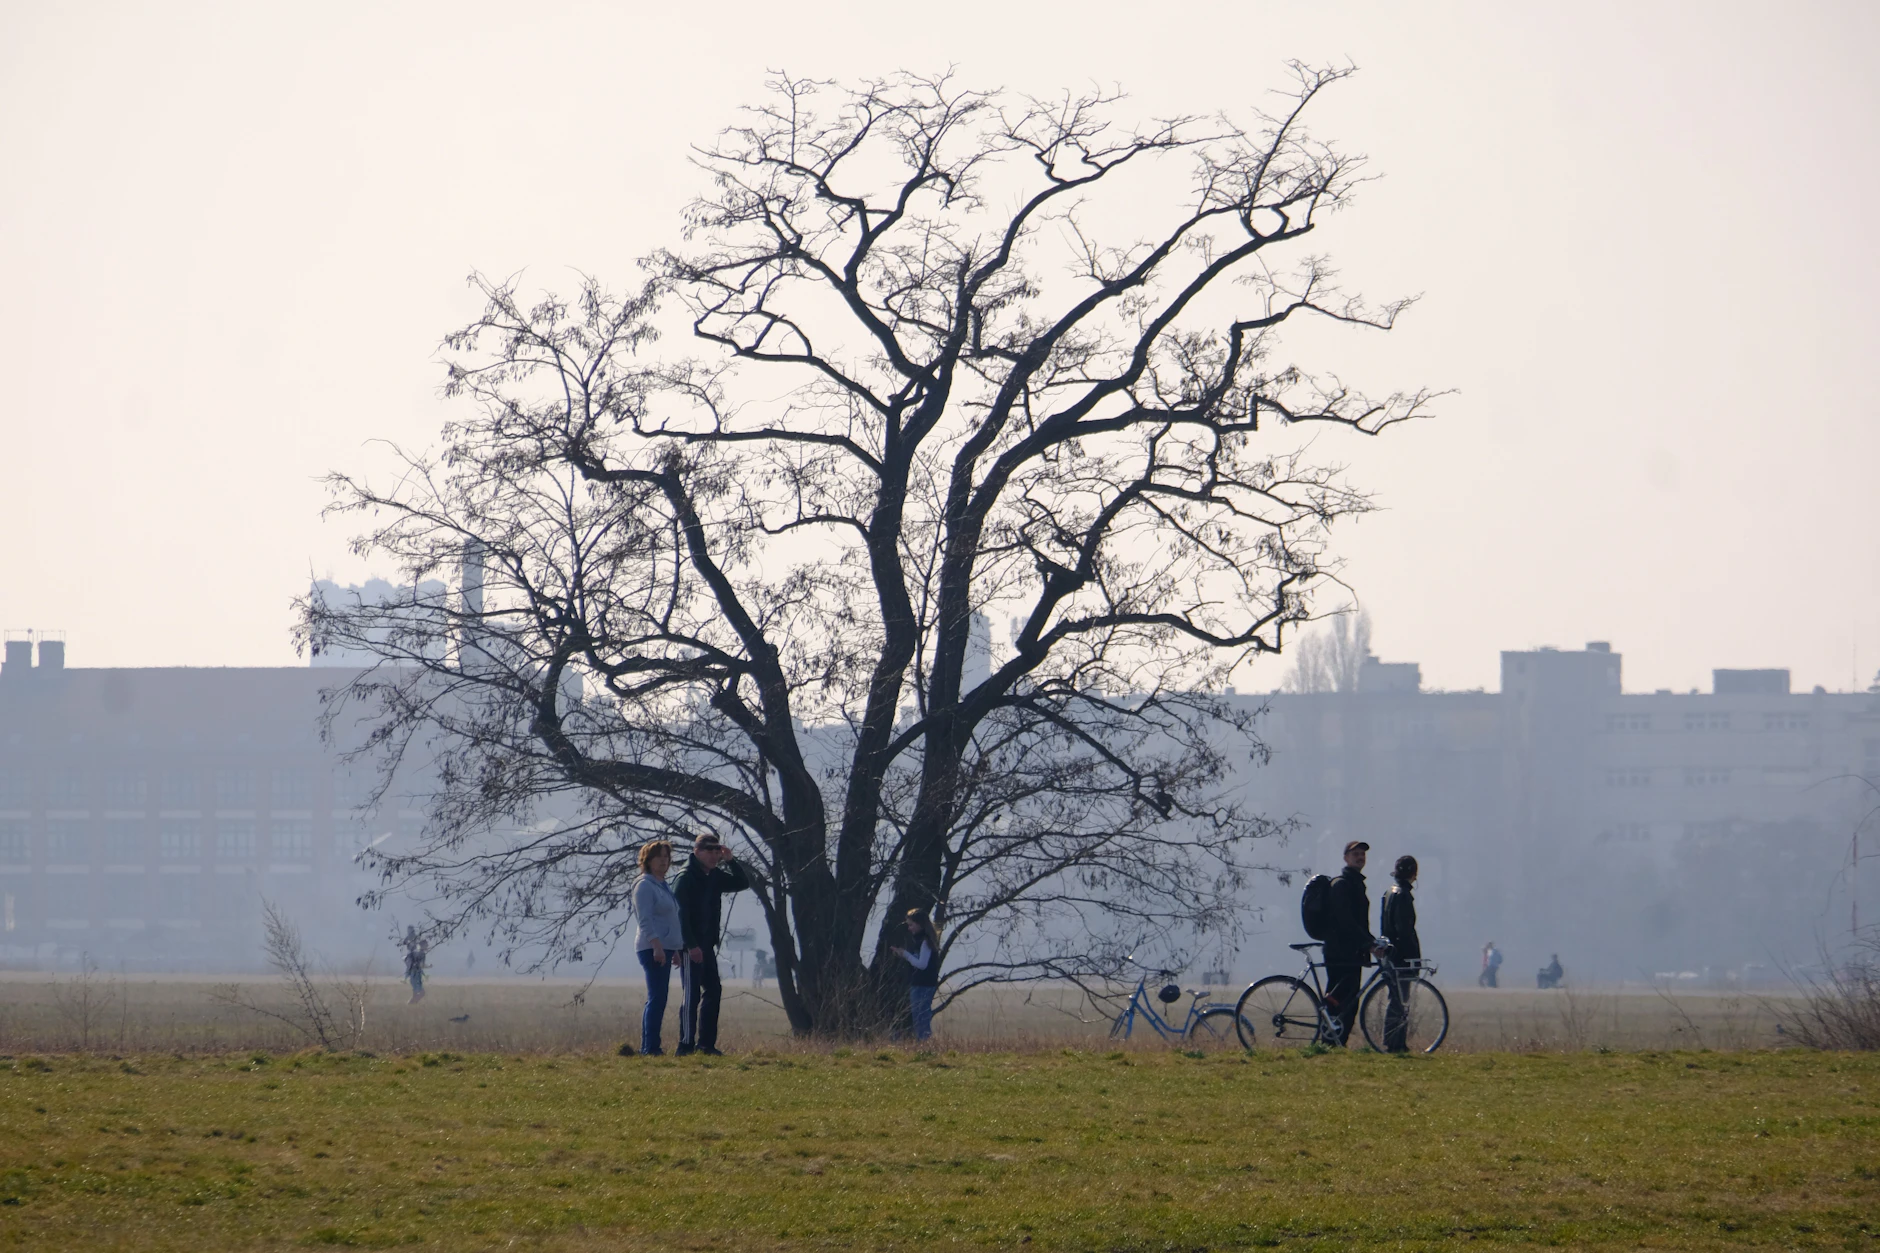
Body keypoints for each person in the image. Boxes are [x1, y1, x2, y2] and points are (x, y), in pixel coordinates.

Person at [674, 833, 750, 1057]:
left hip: (707, 946)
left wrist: (731, 861)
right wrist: (690, 944)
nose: (714, 854)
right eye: (709, 850)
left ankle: (706, 1044)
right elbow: (680, 914)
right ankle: (685, 1045)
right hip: (691, 946)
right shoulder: (686, 877)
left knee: (713, 990)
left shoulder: (714, 876)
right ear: (697, 851)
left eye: (717, 850)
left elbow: (742, 883)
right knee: (691, 996)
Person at [1323, 840, 1385, 1046]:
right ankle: (1330, 1042)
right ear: (1346, 858)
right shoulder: (1341, 884)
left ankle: (1337, 1043)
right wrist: (1368, 944)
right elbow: (1346, 922)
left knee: (1349, 1000)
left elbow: (1357, 922)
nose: (1360, 857)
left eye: (1362, 854)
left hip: (1352, 952)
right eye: (1355, 854)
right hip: (1340, 952)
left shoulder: (1356, 884)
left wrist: (1370, 941)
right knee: (1339, 999)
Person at [632, 840, 684, 1056]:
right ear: (648, 860)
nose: (664, 860)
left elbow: (672, 919)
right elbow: (644, 919)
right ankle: (650, 1047)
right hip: (652, 947)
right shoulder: (644, 885)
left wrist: (677, 948)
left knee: (660, 996)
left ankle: (651, 1046)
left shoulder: (663, 885)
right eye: (659, 857)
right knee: (657, 997)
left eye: (666, 856)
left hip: (667, 947)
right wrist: (657, 946)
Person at [1377, 854, 1421, 1053]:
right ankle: (1396, 1043)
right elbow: (1405, 930)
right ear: (1413, 874)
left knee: (1395, 999)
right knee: (1401, 1001)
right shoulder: (1403, 895)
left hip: (1389, 953)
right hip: (1401, 956)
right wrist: (1414, 957)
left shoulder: (1388, 893)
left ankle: (1392, 1040)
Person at [889, 907, 942, 1041]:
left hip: (923, 985)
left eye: (911, 925)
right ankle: (922, 1044)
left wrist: (905, 954)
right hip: (919, 984)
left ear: (920, 924)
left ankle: (924, 1044)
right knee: (918, 1017)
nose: (909, 928)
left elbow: (922, 964)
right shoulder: (921, 941)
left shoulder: (925, 942)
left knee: (921, 1018)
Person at [401, 926, 429, 1004]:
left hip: (415, 967)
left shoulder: (415, 939)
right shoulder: (420, 953)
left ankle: (413, 1001)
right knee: (419, 990)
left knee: (417, 989)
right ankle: (412, 1001)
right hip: (415, 969)